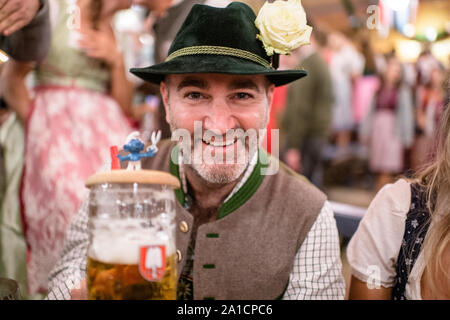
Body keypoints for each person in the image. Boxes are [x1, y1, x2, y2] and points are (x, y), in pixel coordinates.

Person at [47, 1, 346, 300]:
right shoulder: (119, 177)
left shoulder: (309, 213)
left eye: (241, 95)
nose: (218, 125)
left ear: (269, 101)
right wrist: (79, 290)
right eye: (195, 95)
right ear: (166, 101)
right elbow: (67, 274)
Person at [19, 0, 136, 296]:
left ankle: (113, 285)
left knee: (125, 204)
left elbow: (125, 105)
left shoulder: (115, 30)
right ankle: (69, 287)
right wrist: (40, 124)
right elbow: (11, 80)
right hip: (52, 125)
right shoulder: (53, 11)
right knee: (73, 202)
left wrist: (117, 61)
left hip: (105, 128)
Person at [347, 79, 450, 299]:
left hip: (392, 133)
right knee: (381, 168)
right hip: (384, 131)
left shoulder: (403, 91)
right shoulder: (398, 210)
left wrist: (403, 137)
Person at [281, 29, 333, 189]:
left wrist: (293, 146)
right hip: (314, 135)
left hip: (307, 138)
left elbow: (300, 108)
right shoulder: (316, 61)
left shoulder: (309, 64)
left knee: (301, 191)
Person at [359, 56, 414, 192]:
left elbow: (406, 116)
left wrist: (406, 137)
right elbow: (370, 112)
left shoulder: (402, 91)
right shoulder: (378, 89)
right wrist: (365, 131)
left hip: (393, 130)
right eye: (391, 69)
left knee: (388, 167)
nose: (393, 72)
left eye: (397, 70)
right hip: (378, 129)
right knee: (379, 166)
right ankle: (379, 192)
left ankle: (380, 193)